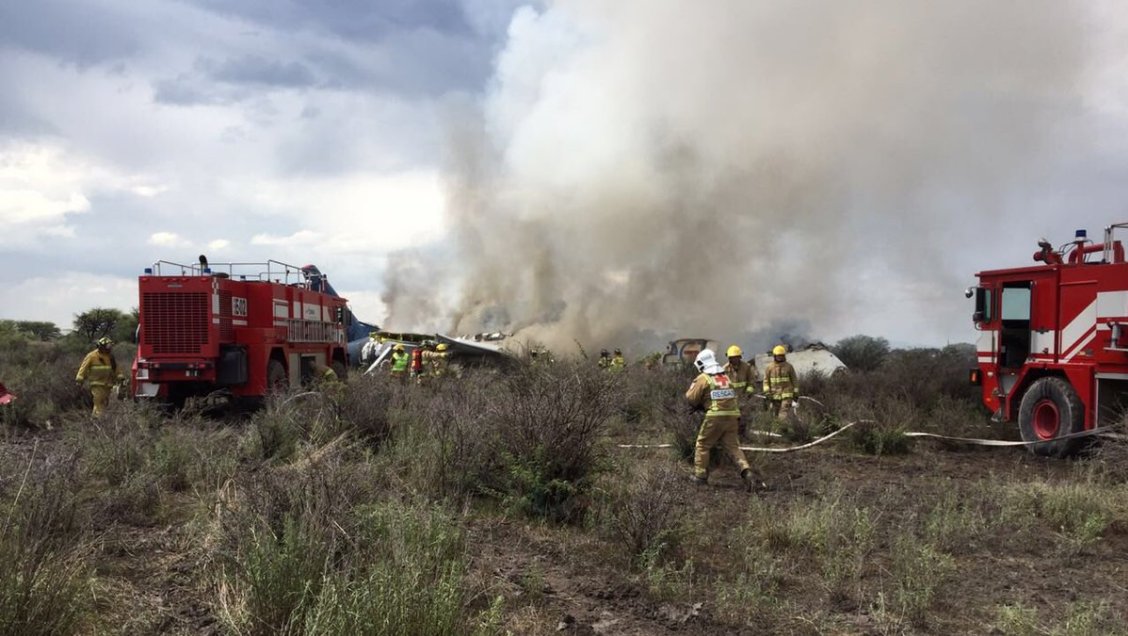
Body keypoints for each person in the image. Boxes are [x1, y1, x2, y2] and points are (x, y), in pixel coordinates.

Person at [685, 349, 761, 491]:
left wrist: (701, 403)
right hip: (732, 416)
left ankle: (700, 476)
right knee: (733, 447)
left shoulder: (704, 378)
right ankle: (747, 472)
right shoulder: (725, 377)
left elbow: (691, 398)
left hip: (715, 416)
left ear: (702, 364)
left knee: (703, 444)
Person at [76, 336, 125, 416]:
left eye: (110, 347)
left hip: (108, 384)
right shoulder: (92, 356)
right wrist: (79, 379)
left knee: (104, 403)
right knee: (98, 401)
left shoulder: (110, 357)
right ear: (101, 346)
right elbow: (83, 368)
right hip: (96, 384)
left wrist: (121, 378)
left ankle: (95, 420)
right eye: (107, 347)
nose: (109, 349)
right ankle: (100, 420)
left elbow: (116, 368)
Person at [723, 345, 760, 436]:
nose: (734, 359)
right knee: (731, 419)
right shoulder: (724, 369)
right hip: (730, 398)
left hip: (744, 397)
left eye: (736, 357)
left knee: (743, 417)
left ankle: (742, 435)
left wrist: (748, 392)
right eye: (732, 358)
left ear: (740, 357)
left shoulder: (746, 367)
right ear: (729, 358)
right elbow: (722, 385)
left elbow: (751, 381)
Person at [763, 345, 799, 420]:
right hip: (774, 395)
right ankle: (780, 430)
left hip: (787, 394)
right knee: (775, 414)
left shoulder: (789, 367)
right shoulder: (769, 367)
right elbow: (766, 381)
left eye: (782, 355)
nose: (780, 357)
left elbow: (794, 380)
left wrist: (796, 393)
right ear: (774, 356)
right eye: (778, 356)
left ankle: (781, 427)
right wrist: (767, 392)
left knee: (783, 414)